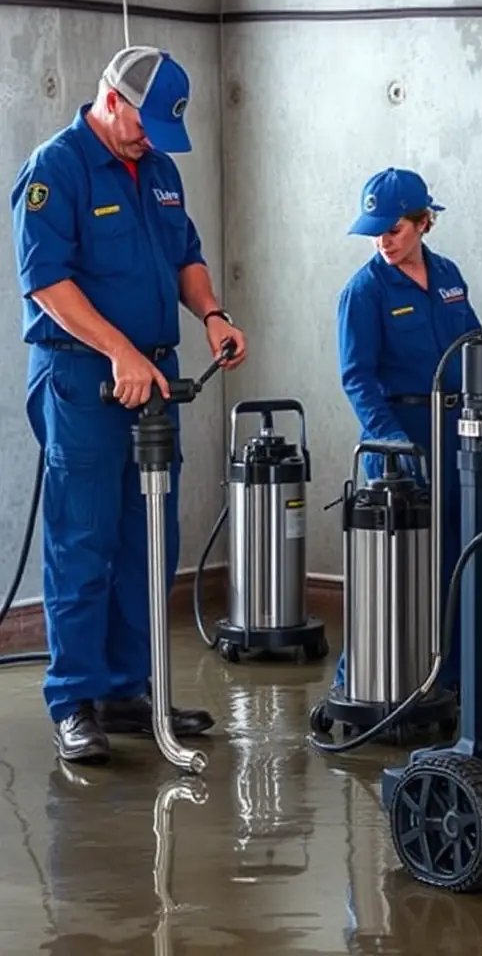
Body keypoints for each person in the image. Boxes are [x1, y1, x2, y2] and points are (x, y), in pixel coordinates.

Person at [10, 45, 248, 765]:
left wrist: (211, 314)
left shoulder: (160, 169)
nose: (151, 141)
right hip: (84, 378)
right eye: (144, 125)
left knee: (149, 540)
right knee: (83, 542)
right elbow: (46, 282)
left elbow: (187, 255)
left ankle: (129, 689)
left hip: (155, 380)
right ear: (112, 99)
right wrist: (119, 351)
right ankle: (74, 701)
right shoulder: (56, 170)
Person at [334, 167, 482, 695]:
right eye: (375, 231)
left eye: (393, 229)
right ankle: (360, 682)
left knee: (461, 555)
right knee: (396, 567)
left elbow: (477, 343)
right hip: (403, 437)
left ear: (423, 222)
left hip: (459, 431)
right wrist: (393, 444)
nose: (383, 241)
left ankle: (451, 679)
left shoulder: (448, 276)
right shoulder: (363, 292)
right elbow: (357, 378)